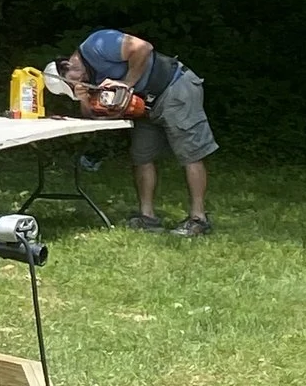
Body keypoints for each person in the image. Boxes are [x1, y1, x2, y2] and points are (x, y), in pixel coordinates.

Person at [55, 29, 217, 236]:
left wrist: (127, 84)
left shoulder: (96, 44)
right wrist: (84, 98)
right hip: (145, 105)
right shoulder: (88, 78)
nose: (73, 85)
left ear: (67, 65)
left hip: (174, 87)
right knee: (141, 156)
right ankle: (147, 216)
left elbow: (143, 47)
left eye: (70, 82)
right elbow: (96, 115)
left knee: (190, 154)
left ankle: (198, 219)